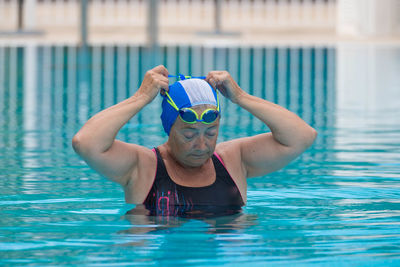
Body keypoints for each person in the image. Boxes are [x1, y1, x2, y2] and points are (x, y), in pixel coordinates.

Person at [72, 65, 317, 216]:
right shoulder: (141, 166)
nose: (202, 145)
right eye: (189, 134)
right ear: (169, 128)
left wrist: (240, 96)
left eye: (211, 133)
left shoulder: (234, 159)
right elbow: (86, 143)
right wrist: (140, 98)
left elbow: (302, 137)